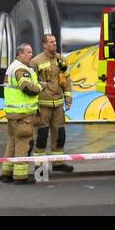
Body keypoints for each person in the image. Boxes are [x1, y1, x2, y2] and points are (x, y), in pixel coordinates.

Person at [31, 33, 73, 173]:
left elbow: (66, 80)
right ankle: (40, 166)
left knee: (60, 134)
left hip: (58, 106)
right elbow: (31, 83)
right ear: (44, 45)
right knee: (42, 135)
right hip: (43, 105)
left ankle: (58, 163)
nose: (54, 44)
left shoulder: (61, 59)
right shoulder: (36, 61)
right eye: (50, 42)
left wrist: (68, 99)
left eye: (55, 41)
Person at [2, 43, 42, 184]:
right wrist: (40, 87)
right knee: (23, 144)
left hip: (13, 113)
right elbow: (27, 88)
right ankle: (20, 176)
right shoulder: (21, 69)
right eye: (28, 52)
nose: (31, 54)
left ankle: (7, 173)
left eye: (31, 52)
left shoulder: (12, 67)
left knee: (12, 142)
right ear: (20, 54)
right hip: (22, 115)